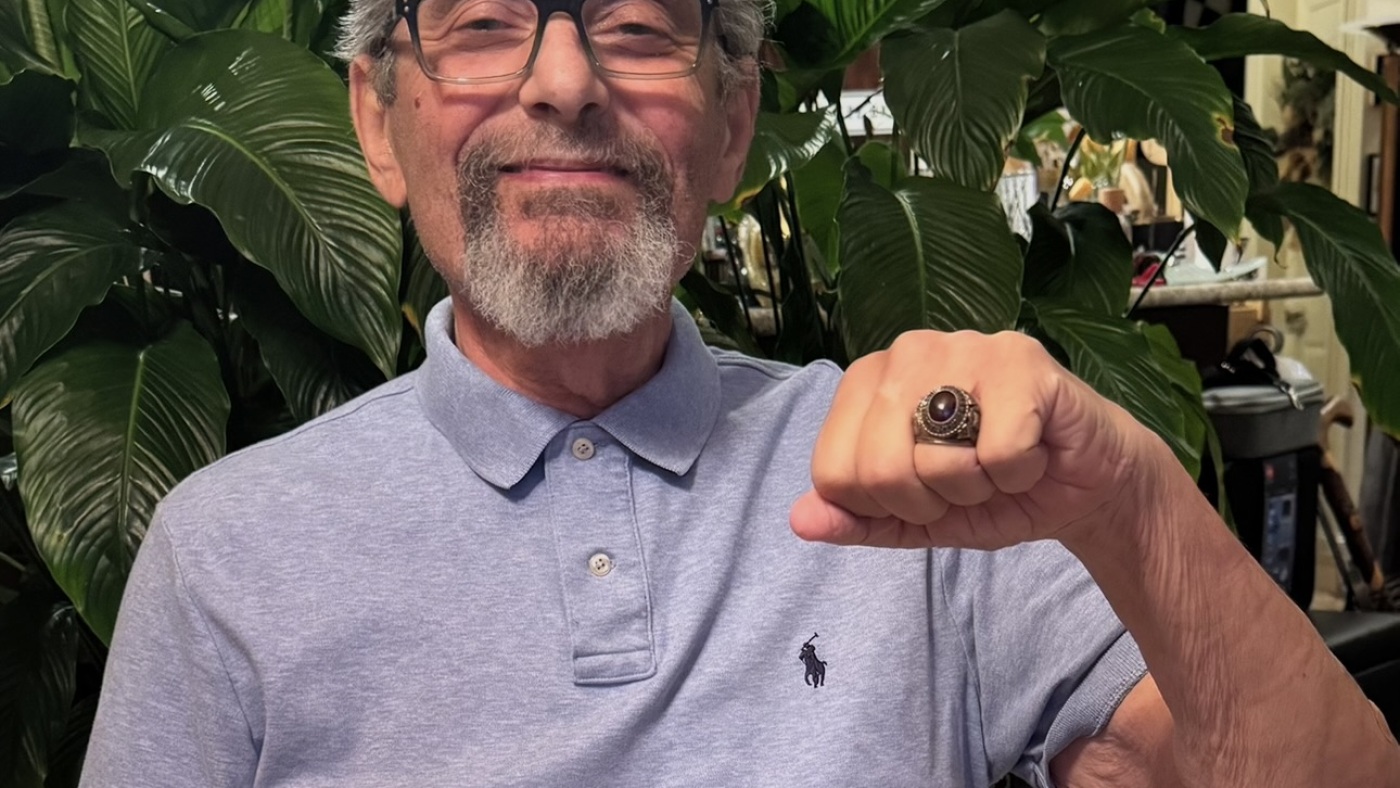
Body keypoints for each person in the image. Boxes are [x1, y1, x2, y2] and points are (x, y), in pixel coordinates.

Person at [80, 0, 1400, 785]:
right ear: (376, 120)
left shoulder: (929, 498)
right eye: (481, 24)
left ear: (730, 122)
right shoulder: (225, 561)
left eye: (640, 27)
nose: (562, 82)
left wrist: (1128, 502)